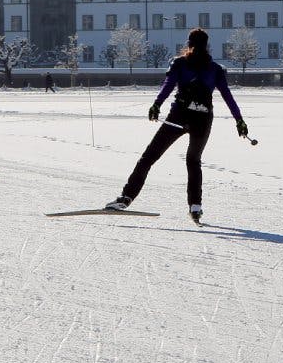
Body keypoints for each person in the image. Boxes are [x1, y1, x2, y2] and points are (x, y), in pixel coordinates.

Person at [104, 28, 247, 224]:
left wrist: (156, 104)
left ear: (189, 44)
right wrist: (239, 120)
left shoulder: (180, 64)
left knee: (148, 158)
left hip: (178, 117)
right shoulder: (216, 69)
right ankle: (195, 206)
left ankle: (126, 198)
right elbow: (227, 96)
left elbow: (168, 85)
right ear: (207, 46)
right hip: (203, 120)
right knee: (193, 162)